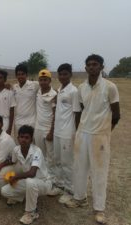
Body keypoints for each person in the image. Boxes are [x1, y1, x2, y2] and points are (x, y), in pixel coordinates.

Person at [65, 54, 120, 224]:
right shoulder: (81, 88)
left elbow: (116, 115)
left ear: (101, 67)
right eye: (88, 64)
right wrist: (79, 131)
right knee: (79, 168)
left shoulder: (110, 87)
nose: (91, 67)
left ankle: (99, 209)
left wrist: (105, 132)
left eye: (95, 64)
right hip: (83, 134)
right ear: (85, 67)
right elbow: (79, 112)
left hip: (100, 136)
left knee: (99, 173)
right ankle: (80, 198)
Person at [0, 125, 54, 224]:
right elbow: (12, 161)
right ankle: (25, 197)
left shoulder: (37, 151)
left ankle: (31, 212)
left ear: (31, 139)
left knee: (30, 182)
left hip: (43, 183)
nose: (23, 140)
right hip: (28, 182)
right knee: (4, 191)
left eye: (26, 137)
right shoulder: (16, 150)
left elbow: (32, 173)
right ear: (18, 138)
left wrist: (16, 177)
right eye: (21, 137)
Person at [53, 63, 81, 204]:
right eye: (60, 74)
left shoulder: (73, 91)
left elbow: (77, 113)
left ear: (70, 74)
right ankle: (59, 184)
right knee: (57, 160)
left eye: (65, 74)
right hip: (58, 131)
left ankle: (70, 191)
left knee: (67, 163)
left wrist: (75, 133)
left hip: (67, 133)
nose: (62, 76)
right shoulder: (60, 89)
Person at [33, 69, 58, 186]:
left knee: (51, 157)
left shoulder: (54, 95)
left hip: (48, 129)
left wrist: (51, 131)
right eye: (41, 80)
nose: (43, 82)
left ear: (50, 80)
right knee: (39, 154)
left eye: (45, 80)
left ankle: (52, 181)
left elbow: (55, 114)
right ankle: (42, 178)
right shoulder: (38, 92)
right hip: (38, 128)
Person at [13, 64, 39, 142]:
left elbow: (46, 87)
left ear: (26, 75)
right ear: (16, 76)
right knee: (19, 145)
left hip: (31, 122)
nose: (20, 76)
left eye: (22, 74)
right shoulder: (14, 87)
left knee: (31, 145)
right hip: (18, 122)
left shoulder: (34, 85)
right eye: (18, 74)